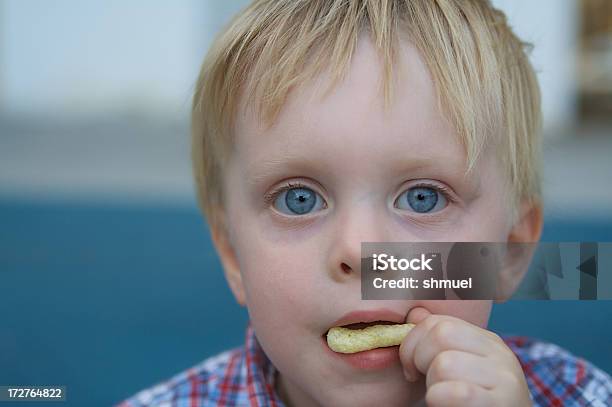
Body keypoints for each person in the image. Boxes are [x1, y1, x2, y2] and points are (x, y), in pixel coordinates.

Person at [118, 0, 612, 405]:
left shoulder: (582, 394)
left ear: (509, 252)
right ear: (232, 254)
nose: (360, 251)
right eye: (298, 199)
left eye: (422, 198)